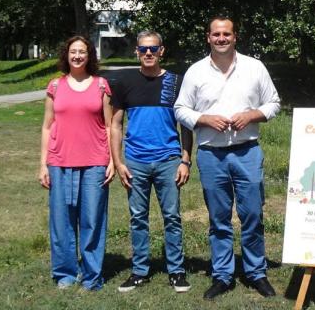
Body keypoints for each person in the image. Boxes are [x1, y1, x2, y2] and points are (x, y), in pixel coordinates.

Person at [175, 17, 281, 300]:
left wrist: (252, 114)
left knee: (253, 215)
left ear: (235, 37)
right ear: (208, 37)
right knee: (219, 219)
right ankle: (222, 275)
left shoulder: (254, 67)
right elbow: (180, 109)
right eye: (216, 34)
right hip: (211, 155)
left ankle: (255, 272)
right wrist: (203, 118)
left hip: (247, 151)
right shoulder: (196, 71)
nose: (221, 38)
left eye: (227, 34)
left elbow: (273, 103)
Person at [110, 31, 193, 293]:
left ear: (161, 51)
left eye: (153, 49)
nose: (148, 53)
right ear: (136, 51)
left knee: (172, 217)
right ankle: (139, 271)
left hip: (169, 160)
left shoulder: (175, 82)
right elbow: (115, 125)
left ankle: (176, 271)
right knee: (138, 218)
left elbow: (186, 126)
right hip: (135, 162)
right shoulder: (124, 81)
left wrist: (186, 160)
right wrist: (119, 162)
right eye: (144, 49)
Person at [38, 36, 114, 290]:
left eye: (82, 52)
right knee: (62, 222)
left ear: (89, 55)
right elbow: (47, 127)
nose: (78, 56)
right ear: (66, 55)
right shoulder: (55, 87)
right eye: (73, 52)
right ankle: (65, 274)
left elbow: (108, 126)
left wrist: (113, 161)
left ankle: (92, 276)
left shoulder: (101, 86)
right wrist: (42, 164)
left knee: (92, 220)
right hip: (59, 163)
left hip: (95, 163)